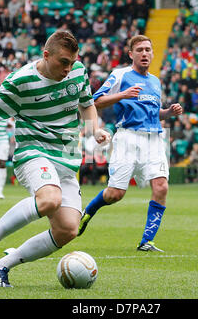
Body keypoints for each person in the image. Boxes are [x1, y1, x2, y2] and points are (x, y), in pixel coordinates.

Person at [0, 31, 110, 287]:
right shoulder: (20, 81)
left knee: (68, 229)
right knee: (49, 199)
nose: (68, 69)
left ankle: (0, 267)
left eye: (72, 62)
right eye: (63, 62)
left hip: (67, 161)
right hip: (34, 152)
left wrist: (95, 129)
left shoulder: (78, 72)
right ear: (46, 55)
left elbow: (87, 104)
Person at [77, 35, 183, 252]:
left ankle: (147, 241)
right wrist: (123, 94)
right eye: (140, 50)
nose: (145, 53)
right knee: (115, 194)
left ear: (153, 54)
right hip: (128, 138)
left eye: (148, 50)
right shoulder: (120, 75)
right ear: (131, 54)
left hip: (154, 138)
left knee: (161, 186)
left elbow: (154, 115)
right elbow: (95, 101)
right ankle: (88, 210)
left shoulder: (155, 82)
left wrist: (168, 113)